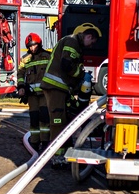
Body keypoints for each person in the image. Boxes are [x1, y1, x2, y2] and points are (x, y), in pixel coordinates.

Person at [40, 23, 101, 164]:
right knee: (57, 121)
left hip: (61, 88)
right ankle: (56, 156)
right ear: (89, 36)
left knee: (65, 120)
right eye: (92, 42)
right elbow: (67, 65)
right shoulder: (72, 42)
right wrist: (81, 76)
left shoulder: (75, 44)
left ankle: (65, 151)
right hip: (55, 86)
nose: (91, 46)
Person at [17, 33, 51, 150]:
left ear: (39, 43)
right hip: (31, 94)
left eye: (34, 45)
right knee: (34, 119)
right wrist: (21, 86)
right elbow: (20, 74)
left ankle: (46, 142)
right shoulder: (25, 59)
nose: (32, 48)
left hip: (45, 93)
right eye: (30, 46)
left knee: (44, 119)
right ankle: (35, 143)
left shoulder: (48, 56)